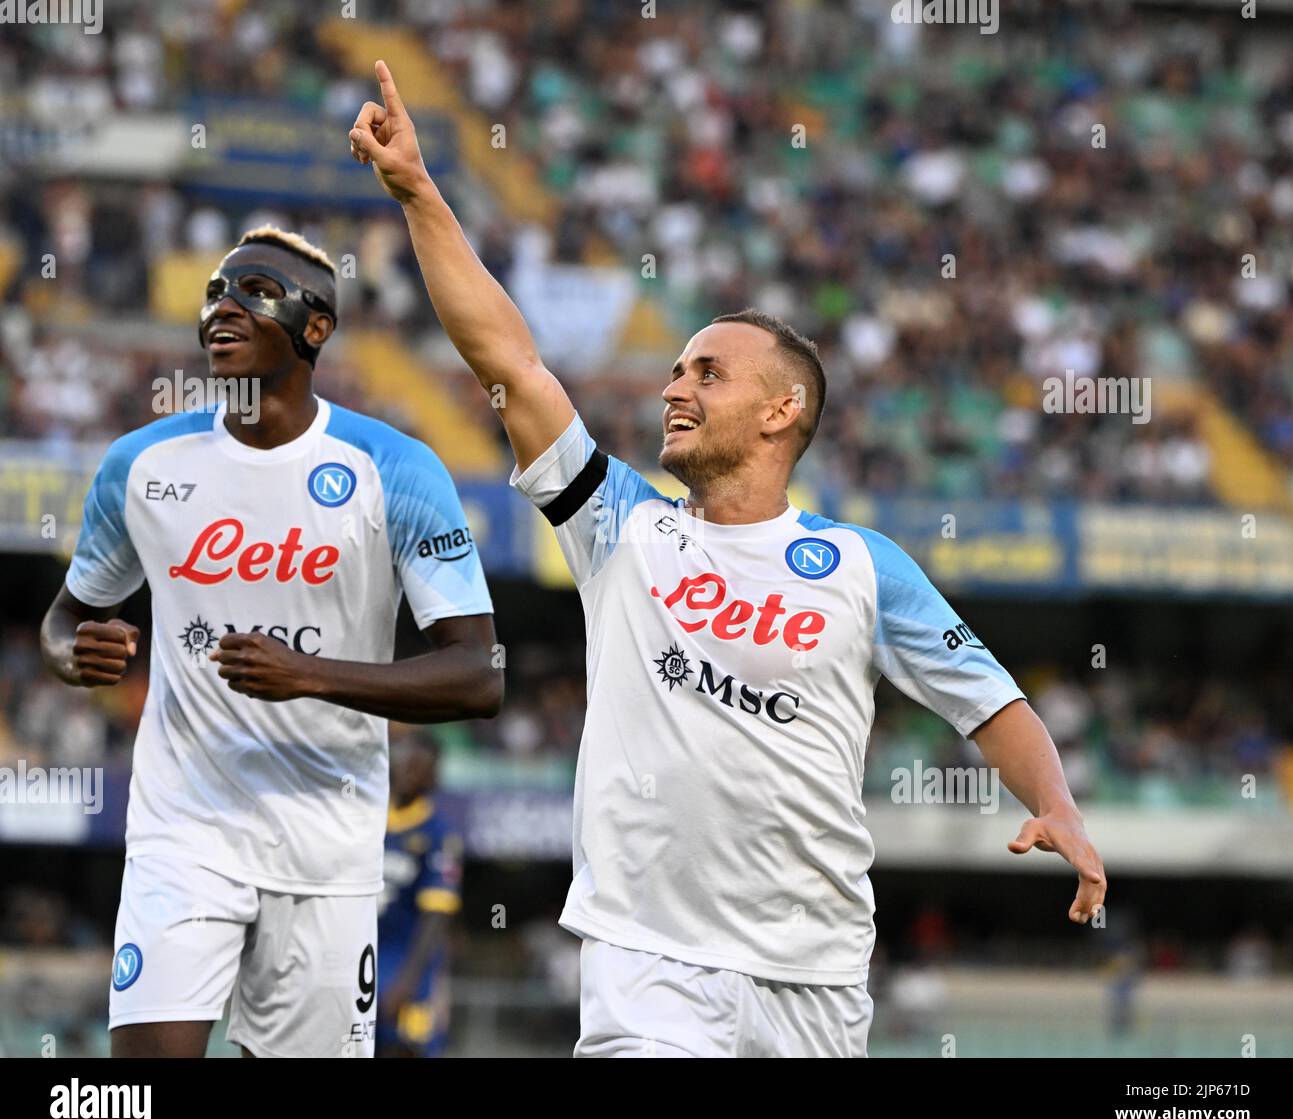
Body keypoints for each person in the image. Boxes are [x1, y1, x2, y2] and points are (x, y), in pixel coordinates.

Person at [350, 61, 1106, 1058]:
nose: (676, 388)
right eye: (673, 370)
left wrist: (1053, 804)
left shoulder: (859, 566)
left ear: (781, 409)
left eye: (707, 372)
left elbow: (990, 702)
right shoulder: (620, 526)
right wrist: (419, 191)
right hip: (648, 962)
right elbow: (510, 362)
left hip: (816, 973)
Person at [40, 225, 502, 1058]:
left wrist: (309, 675)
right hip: (184, 829)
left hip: (330, 847)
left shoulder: (394, 469)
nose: (222, 306)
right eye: (215, 291)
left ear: (314, 328)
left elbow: (478, 675)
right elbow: (63, 617)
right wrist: (73, 652)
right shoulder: (139, 466)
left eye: (253, 291)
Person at [377, 730, 462, 1057]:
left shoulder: (439, 835)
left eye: (421, 766)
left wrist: (407, 983)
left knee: (408, 1048)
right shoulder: (369, 822)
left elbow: (436, 918)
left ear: (433, 776)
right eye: (407, 763)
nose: (411, 771)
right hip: (364, 962)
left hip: (409, 969)